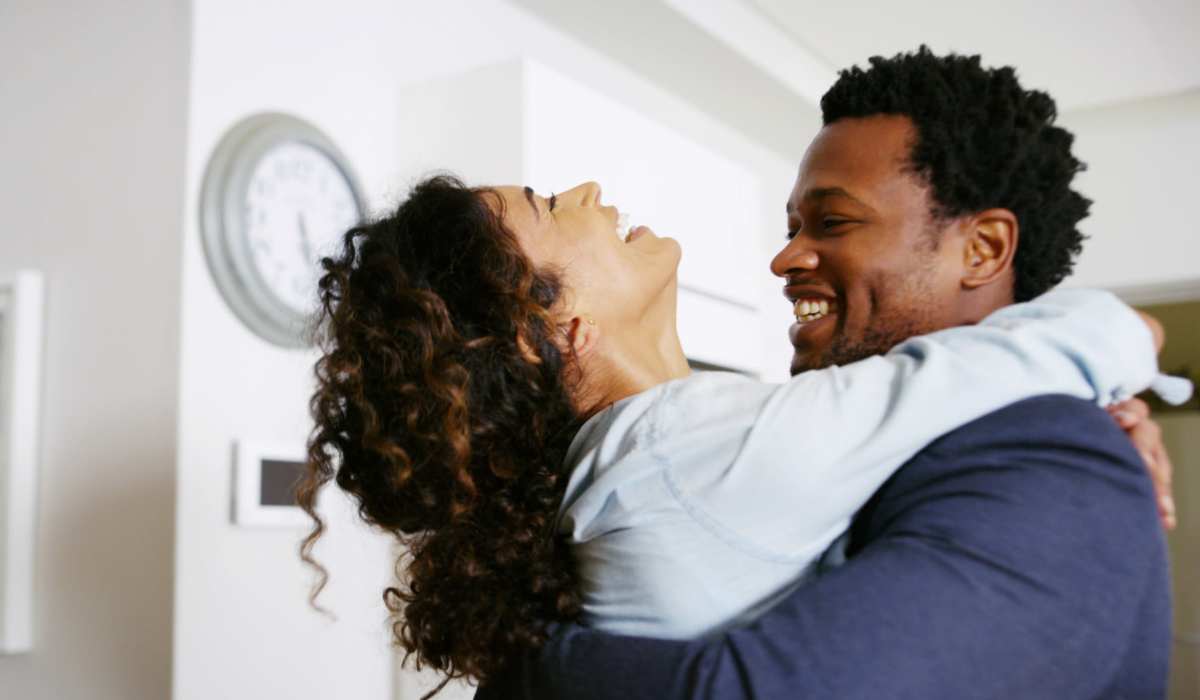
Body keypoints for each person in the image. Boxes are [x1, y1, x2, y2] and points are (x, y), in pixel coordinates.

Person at [474, 48, 1183, 698]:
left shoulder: (1057, 465)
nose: (785, 261)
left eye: (833, 223)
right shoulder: (806, 454)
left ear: (983, 248)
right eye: (792, 229)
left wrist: (519, 664)